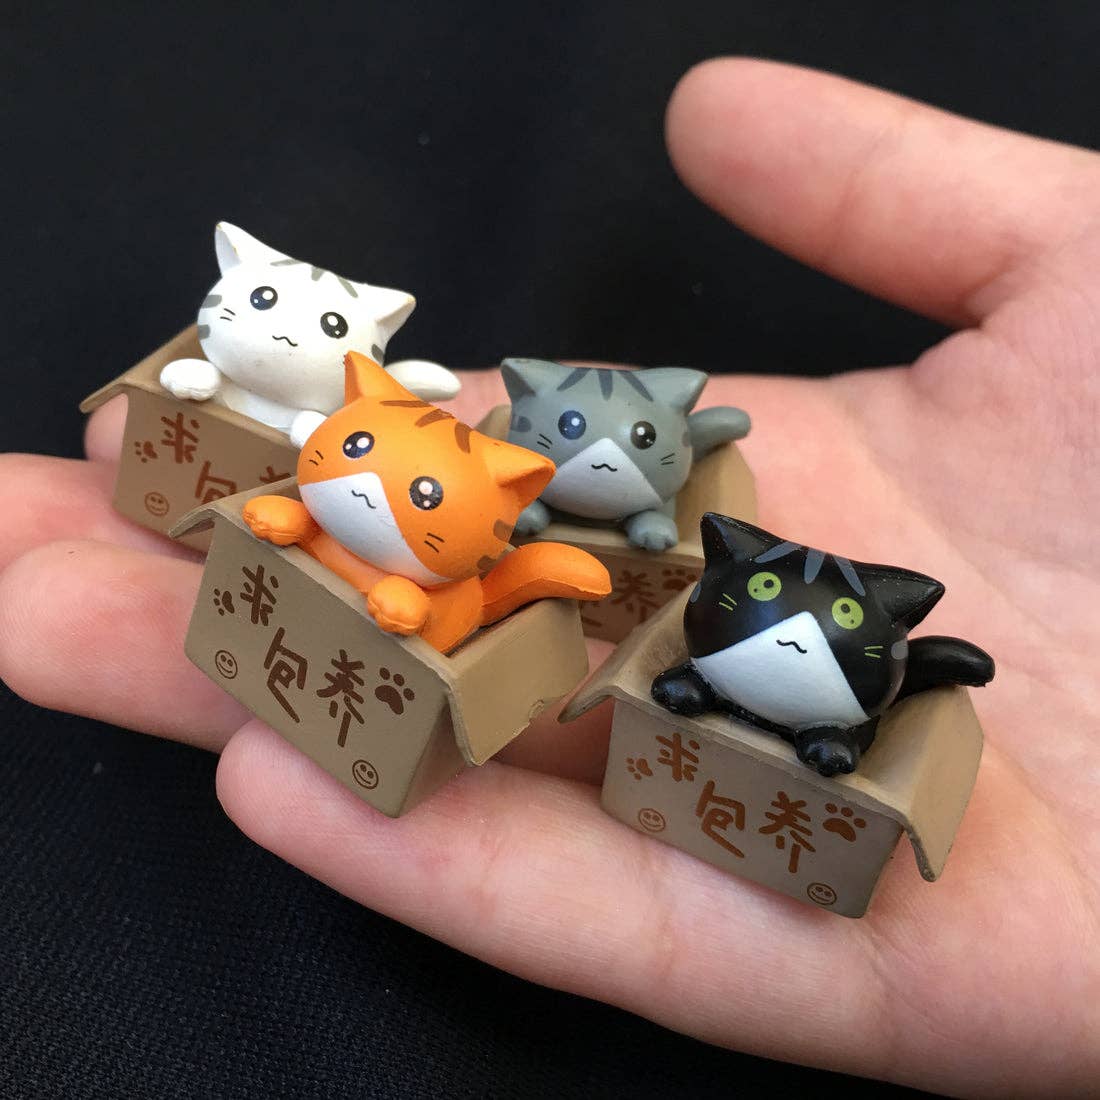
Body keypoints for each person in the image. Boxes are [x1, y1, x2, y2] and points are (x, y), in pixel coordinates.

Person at [0, 58, 1096, 1094]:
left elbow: (458, 587)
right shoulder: (343, 465)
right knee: (313, 538)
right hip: (398, 569)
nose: (370, 484)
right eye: (354, 451)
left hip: (442, 597)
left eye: (411, 487)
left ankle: (770, 699)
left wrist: (501, 562)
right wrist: (295, 505)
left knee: (454, 594)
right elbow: (306, 512)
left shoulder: (512, 533)